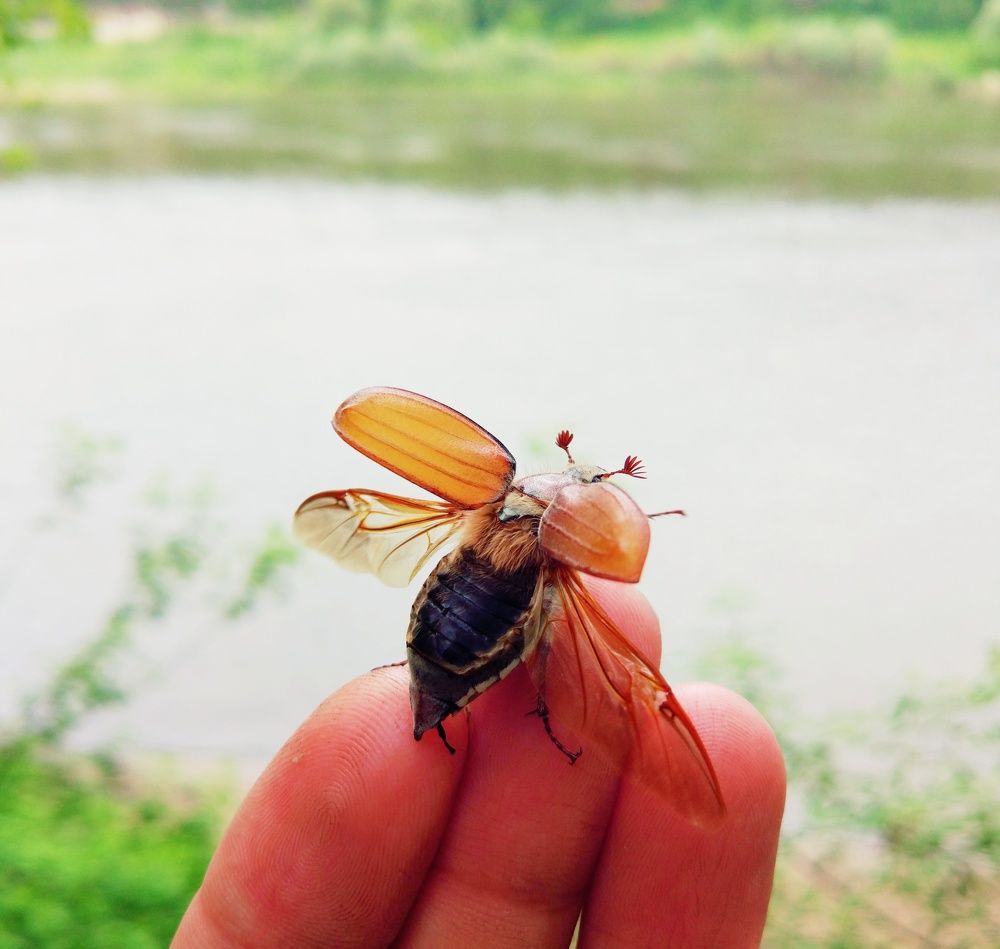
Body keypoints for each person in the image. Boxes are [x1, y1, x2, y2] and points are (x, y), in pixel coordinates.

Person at [172, 581, 786, 947]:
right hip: (455, 663)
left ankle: (433, 684)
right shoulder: (562, 579)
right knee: (559, 644)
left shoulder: (490, 508)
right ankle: (497, 703)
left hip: (435, 640)